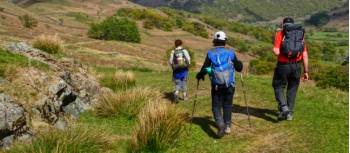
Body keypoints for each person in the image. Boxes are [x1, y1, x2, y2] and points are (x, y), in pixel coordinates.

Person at [196, 31, 243, 138]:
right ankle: (227, 126)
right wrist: (240, 64)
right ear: (225, 41)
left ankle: (220, 125)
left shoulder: (210, 53)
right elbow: (239, 68)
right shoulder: (230, 53)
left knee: (216, 106)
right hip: (230, 85)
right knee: (227, 105)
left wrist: (200, 75)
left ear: (214, 41)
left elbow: (205, 68)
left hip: (216, 86)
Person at [272, 17, 309, 121]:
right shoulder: (300, 35)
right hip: (297, 66)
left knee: (278, 86)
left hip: (283, 65)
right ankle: (290, 114)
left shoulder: (280, 33)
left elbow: (276, 52)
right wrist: (306, 71)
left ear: (283, 24)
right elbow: (305, 54)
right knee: (292, 89)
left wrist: (275, 48)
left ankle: (284, 107)